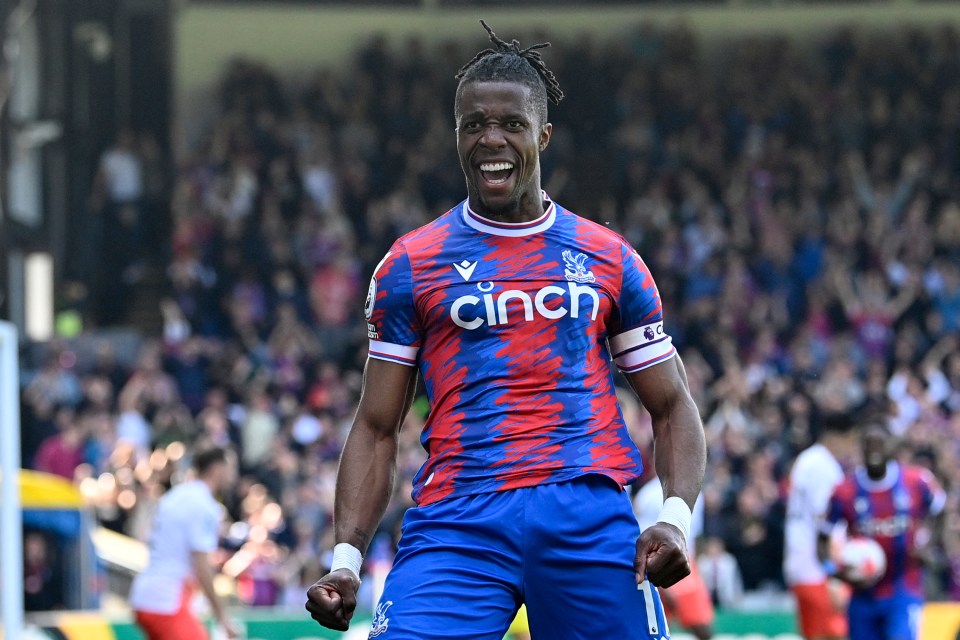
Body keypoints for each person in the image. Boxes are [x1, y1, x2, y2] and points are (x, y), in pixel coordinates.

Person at [305, 21, 706, 639]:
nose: (492, 139)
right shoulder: (412, 264)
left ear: (542, 134)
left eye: (512, 124)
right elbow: (379, 425)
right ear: (457, 137)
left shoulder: (609, 257)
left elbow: (674, 404)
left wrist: (675, 519)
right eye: (474, 125)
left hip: (586, 514)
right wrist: (346, 560)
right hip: (457, 520)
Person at [820, 420, 946, 640]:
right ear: (861, 449)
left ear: (891, 447)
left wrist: (928, 546)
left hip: (904, 587)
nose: (874, 450)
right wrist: (835, 572)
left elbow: (940, 510)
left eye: (880, 444)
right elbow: (822, 536)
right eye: (869, 445)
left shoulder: (916, 481)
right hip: (862, 595)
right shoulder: (844, 491)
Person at [130, 446, 239, 640]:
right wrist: (221, 617)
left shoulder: (174, 496)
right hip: (167, 601)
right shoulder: (205, 505)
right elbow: (202, 565)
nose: (233, 475)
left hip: (146, 595)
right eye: (230, 468)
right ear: (216, 469)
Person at [783, 413, 857, 640]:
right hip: (816, 569)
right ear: (837, 438)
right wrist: (833, 575)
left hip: (799, 562)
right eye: (852, 440)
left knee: (815, 634)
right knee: (835, 633)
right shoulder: (824, 468)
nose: (852, 448)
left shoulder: (807, 460)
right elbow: (825, 525)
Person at [634, 476, 715, 640]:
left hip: (685, 561)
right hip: (654, 564)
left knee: (702, 627)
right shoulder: (648, 495)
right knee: (656, 625)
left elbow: (695, 534)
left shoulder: (694, 492)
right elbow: (641, 534)